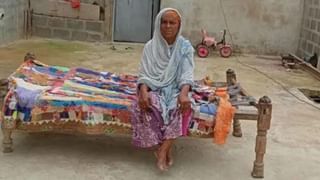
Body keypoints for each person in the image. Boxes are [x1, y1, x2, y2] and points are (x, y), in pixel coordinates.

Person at [130, 8, 194, 171]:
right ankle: (165, 148)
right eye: (164, 22)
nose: (167, 26)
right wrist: (143, 91)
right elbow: (144, 74)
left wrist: (183, 94)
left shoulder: (184, 47)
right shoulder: (150, 47)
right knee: (143, 107)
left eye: (172, 22)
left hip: (176, 88)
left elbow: (187, 74)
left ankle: (162, 151)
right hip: (154, 86)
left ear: (179, 25)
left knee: (181, 108)